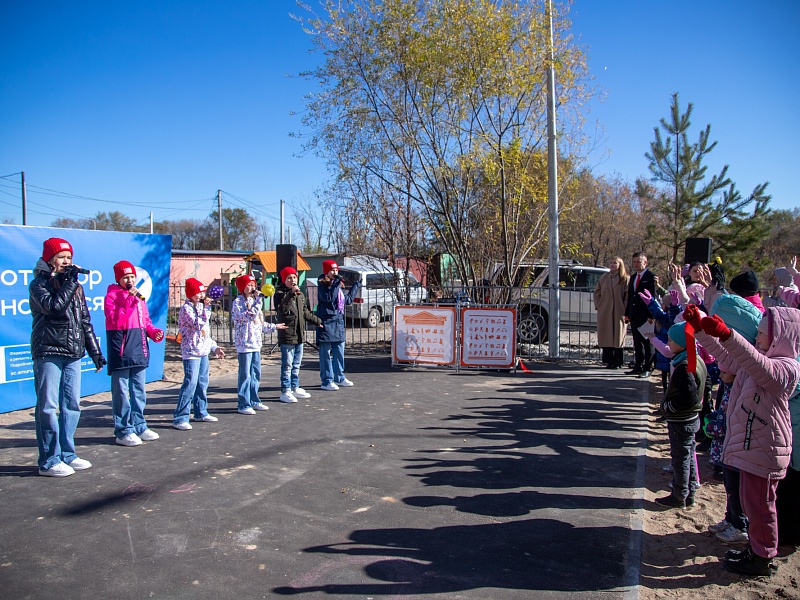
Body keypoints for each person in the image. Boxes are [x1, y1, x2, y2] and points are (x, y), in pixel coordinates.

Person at [685, 304, 800, 576]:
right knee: (750, 504)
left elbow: (761, 368)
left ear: (780, 336)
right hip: (754, 445)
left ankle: (762, 557)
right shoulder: (758, 357)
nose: (757, 337)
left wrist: (728, 335)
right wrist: (701, 330)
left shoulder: (788, 367)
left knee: (760, 506)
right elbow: (727, 356)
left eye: (762, 333)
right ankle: (755, 548)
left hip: (766, 446)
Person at [29, 237, 106, 477]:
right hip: (48, 350)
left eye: (69, 257)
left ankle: (67, 454)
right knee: (48, 407)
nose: (66, 261)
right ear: (50, 259)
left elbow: (84, 320)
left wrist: (95, 352)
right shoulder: (38, 284)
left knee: (71, 405)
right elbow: (54, 307)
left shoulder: (75, 287)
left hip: (73, 352)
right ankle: (49, 460)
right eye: (61, 257)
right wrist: (70, 283)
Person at [104, 260, 165, 447]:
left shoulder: (139, 298)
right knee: (121, 392)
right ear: (118, 279)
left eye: (132, 277)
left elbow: (145, 320)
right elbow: (116, 321)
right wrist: (129, 301)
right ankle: (123, 430)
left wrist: (153, 332)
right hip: (121, 350)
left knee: (139, 390)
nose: (130, 280)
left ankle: (140, 425)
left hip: (139, 349)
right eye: (125, 277)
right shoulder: (112, 296)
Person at [655, 321, 708, 509]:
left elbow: (688, 397)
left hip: (682, 420)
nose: (668, 343)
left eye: (671, 340)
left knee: (680, 459)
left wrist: (669, 407)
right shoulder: (693, 359)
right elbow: (705, 386)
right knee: (688, 456)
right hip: (691, 418)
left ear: (682, 342)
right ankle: (689, 493)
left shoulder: (684, 367)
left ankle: (679, 495)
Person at [173, 278, 225, 429]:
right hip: (191, 351)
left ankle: (200, 412)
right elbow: (198, 324)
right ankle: (180, 417)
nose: (202, 295)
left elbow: (205, 332)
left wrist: (214, 347)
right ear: (191, 294)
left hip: (203, 351)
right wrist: (206, 308)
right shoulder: (186, 309)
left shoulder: (201, 307)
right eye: (198, 292)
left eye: (203, 292)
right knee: (190, 383)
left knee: (202, 382)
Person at [231, 274, 286, 413]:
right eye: (249, 285)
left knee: (255, 373)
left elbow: (259, 323)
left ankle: (254, 400)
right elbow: (248, 316)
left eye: (253, 285)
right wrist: (259, 302)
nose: (252, 287)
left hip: (256, 343)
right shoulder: (238, 302)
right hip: (244, 343)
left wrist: (274, 326)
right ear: (242, 287)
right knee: (245, 375)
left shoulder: (255, 302)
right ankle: (243, 404)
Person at [274, 267, 323, 403]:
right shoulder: (280, 294)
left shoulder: (300, 295)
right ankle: (286, 390)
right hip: (287, 335)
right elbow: (282, 309)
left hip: (299, 334)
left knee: (296, 364)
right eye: (289, 278)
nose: (293, 280)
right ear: (284, 280)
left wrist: (317, 321)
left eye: (294, 277)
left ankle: (295, 387)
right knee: (287, 365)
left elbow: (305, 312)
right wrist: (290, 294)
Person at [315, 260, 360, 391]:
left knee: (339, 351)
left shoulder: (337, 285)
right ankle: (326, 380)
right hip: (326, 321)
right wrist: (336, 284)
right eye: (332, 270)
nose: (335, 272)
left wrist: (356, 285)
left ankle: (339, 377)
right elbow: (328, 298)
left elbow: (347, 300)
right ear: (326, 271)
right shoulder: (322, 284)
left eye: (336, 270)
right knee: (325, 354)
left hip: (338, 320)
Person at [593, 256, 629, 369]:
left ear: (620, 265)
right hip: (605, 310)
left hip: (619, 311)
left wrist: (624, 308)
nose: (612, 265)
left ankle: (618, 361)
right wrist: (599, 306)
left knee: (619, 336)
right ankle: (609, 361)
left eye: (615, 263)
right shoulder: (604, 278)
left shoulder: (625, 279)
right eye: (611, 262)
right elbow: (596, 292)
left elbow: (627, 296)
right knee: (607, 335)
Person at [625, 252, 656, 377]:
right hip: (635, 315)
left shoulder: (651, 277)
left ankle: (647, 367)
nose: (636, 264)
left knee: (647, 343)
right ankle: (638, 366)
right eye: (634, 262)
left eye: (639, 261)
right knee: (637, 342)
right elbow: (630, 297)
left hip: (646, 316)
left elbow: (653, 297)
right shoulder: (633, 277)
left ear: (645, 262)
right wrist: (627, 314)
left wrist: (651, 315)